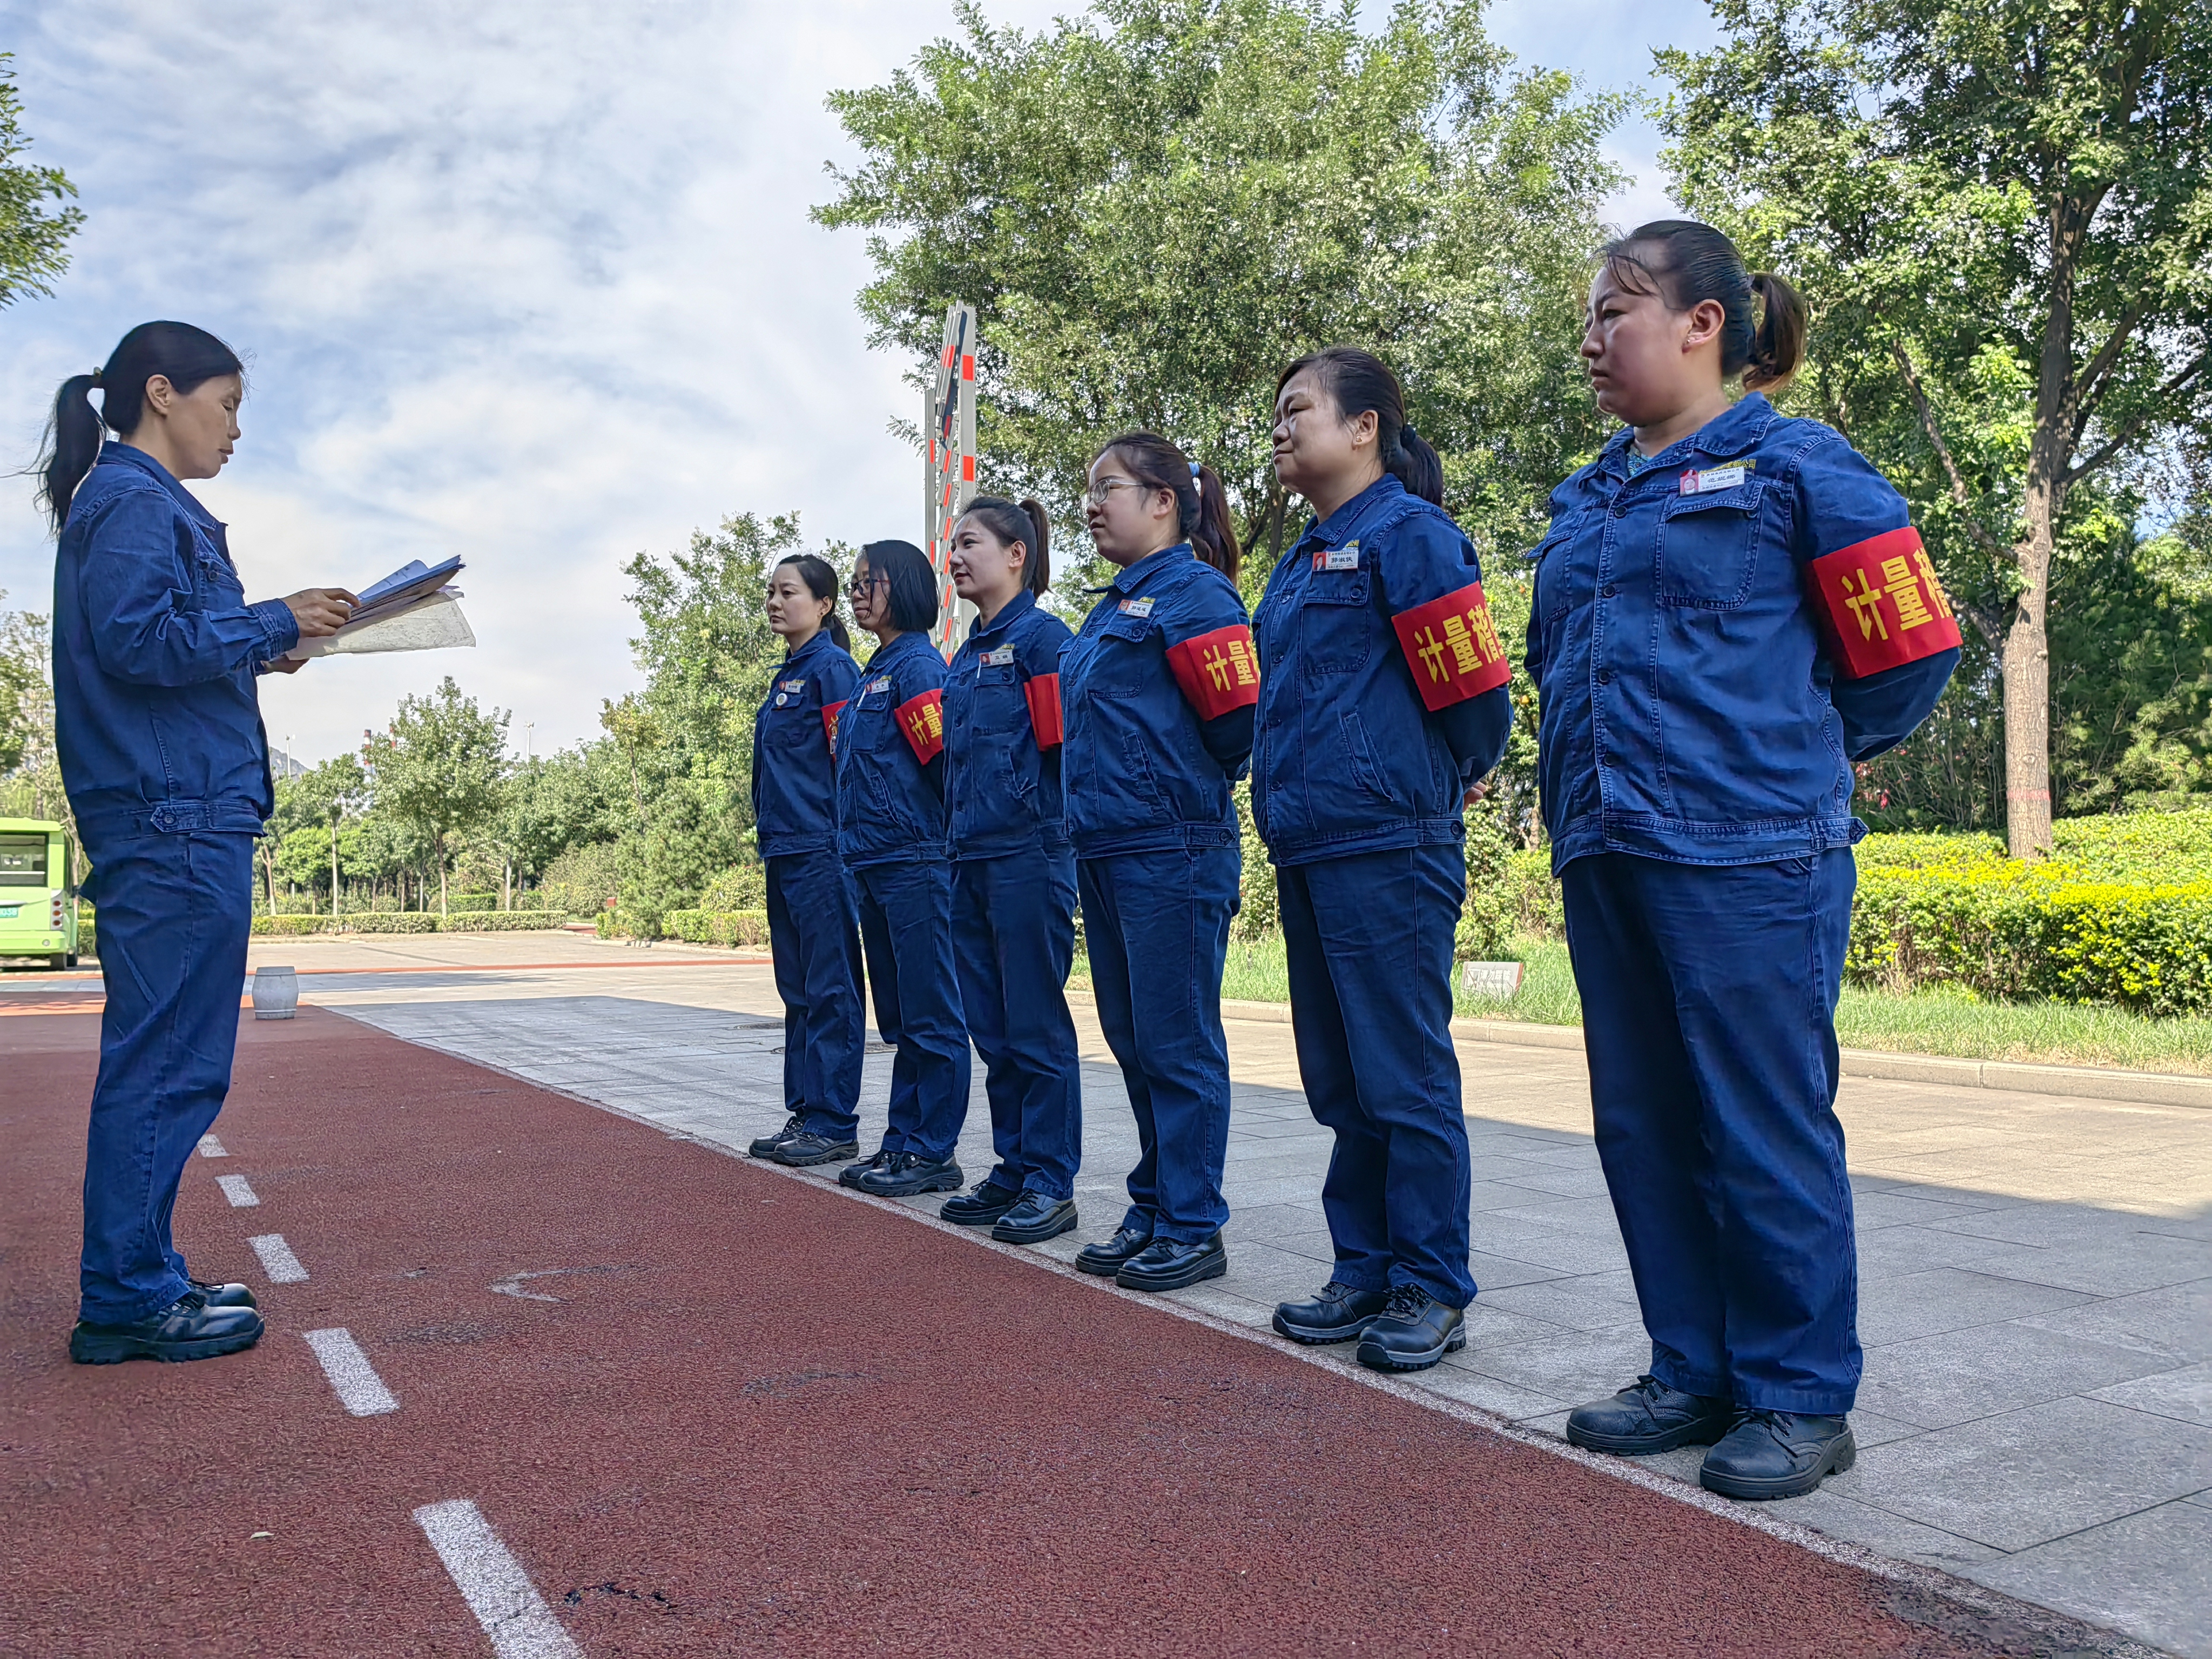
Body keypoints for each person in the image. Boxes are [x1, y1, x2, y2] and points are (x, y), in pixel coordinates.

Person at [1532, 221, 1959, 1499]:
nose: (1597, 338)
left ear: (1704, 323)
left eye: (1619, 311)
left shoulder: (1794, 464)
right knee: (1644, 1120)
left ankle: (1798, 1391)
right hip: (1609, 839)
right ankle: (1692, 1364)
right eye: (1592, 319)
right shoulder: (1590, 491)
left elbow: (1911, 651)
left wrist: (1799, 755)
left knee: (1760, 1122)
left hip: (1751, 848)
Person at [43, 321, 357, 1365]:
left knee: (170, 1057)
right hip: (172, 814)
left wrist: (263, 650)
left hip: (175, 807)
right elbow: (140, 640)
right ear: (163, 393)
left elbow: (161, 646)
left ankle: (141, 1272)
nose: (234, 429)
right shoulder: (133, 499)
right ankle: (127, 1295)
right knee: (170, 1061)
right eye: (226, 405)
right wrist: (268, 620)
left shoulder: (131, 501)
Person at [1252, 347, 1513, 1373]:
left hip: (1387, 842)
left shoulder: (1411, 538)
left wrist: (1448, 774)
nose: (1279, 428)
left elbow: (1474, 695)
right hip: (1311, 840)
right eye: (1275, 414)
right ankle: (1361, 1266)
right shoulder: (1299, 557)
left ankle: (1429, 1284)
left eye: (1298, 410)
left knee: (1403, 1077)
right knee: (1341, 1081)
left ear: (1365, 428)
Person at [1060, 435, 1256, 1293]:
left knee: (1177, 1044)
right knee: (1134, 1042)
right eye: (1090, 491)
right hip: (1103, 847)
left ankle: (1190, 1221)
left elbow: (1238, 727)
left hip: (1170, 848)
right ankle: (1153, 1200)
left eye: (1110, 489)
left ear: (1165, 502)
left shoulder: (1198, 597)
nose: (1094, 506)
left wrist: (1162, 789)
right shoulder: (1106, 610)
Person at [936, 497, 1084, 1246]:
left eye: (971, 544)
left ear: (1016, 554)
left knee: (1034, 1025)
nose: (956, 557)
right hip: (971, 857)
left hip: (1029, 855)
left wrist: (1042, 825)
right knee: (992, 1029)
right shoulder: (964, 654)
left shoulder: (1041, 642)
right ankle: (1013, 1166)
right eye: (954, 546)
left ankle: (1051, 1182)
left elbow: (1064, 751)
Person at [831, 539, 971, 1197]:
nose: (859, 593)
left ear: (908, 587)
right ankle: (903, 1143)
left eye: (871, 582)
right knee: (901, 1017)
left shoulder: (918, 669)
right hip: (873, 861)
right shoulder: (874, 672)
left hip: (915, 861)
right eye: (855, 582)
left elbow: (945, 768)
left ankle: (932, 1150)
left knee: (930, 1014)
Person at [745, 555, 867, 1169]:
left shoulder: (834, 671)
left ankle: (832, 1120)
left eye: (786, 592)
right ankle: (806, 1110)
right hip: (784, 848)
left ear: (822, 604)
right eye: (770, 592)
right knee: (796, 989)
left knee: (831, 988)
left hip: (822, 849)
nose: (774, 601)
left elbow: (849, 763)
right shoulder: (786, 674)